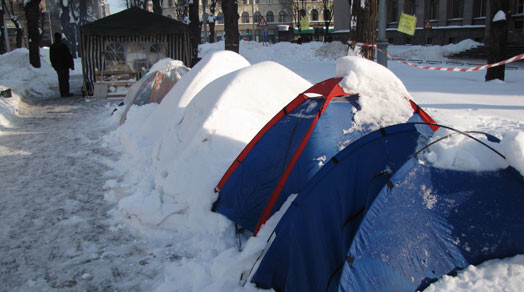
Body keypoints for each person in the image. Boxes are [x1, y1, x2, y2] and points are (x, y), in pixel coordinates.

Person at [50, 33, 74, 97]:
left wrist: (54, 65)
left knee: (61, 79)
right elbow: (68, 56)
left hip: (58, 66)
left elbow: (52, 57)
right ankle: (66, 92)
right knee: (66, 79)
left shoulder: (53, 46)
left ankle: (62, 92)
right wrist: (71, 65)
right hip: (65, 65)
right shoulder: (63, 45)